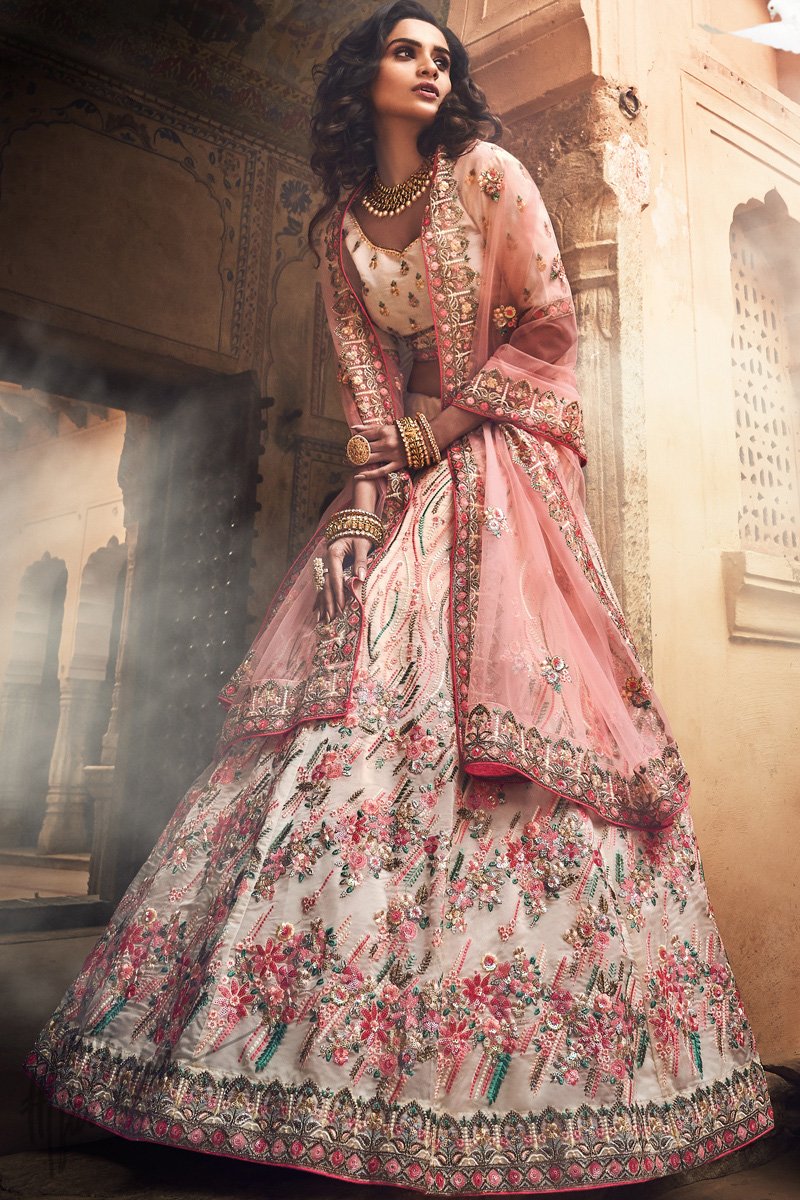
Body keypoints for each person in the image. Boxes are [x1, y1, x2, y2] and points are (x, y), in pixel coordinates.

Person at [24, 2, 774, 1193]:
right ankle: (297, 1075)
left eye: (441, 54)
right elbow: (368, 385)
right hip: (406, 481)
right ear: (358, 77)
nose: (427, 67)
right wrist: (367, 502)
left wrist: (436, 434)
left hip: (494, 469)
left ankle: (547, 1081)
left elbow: (548, 326)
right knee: (338, 715)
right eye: (403, 49)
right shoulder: (335, 232)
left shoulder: (486, 175)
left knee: (518, 733)